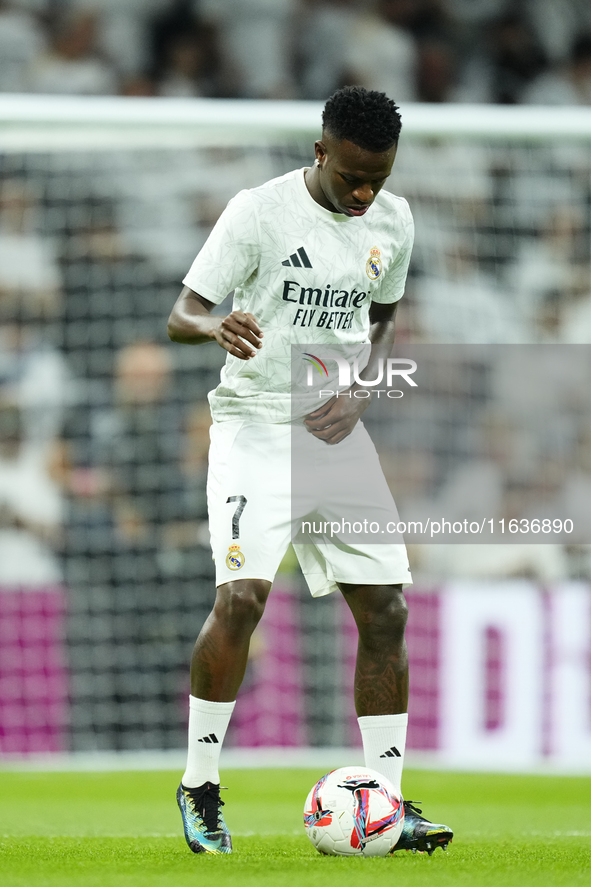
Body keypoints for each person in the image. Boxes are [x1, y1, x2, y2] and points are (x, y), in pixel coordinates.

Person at [167, 86, 453, 856]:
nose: (365, 193)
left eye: (378, 179)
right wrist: (213, 323)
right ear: (320, 150)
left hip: (333, 431)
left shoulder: (391, 218)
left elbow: (385, 317)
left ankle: (387, 803)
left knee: (387, 610)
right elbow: (182, 311)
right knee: (244, 598)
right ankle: (199, 786)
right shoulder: (259, 211)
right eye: (353, 176)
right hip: (255, 426)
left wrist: (361, 387)